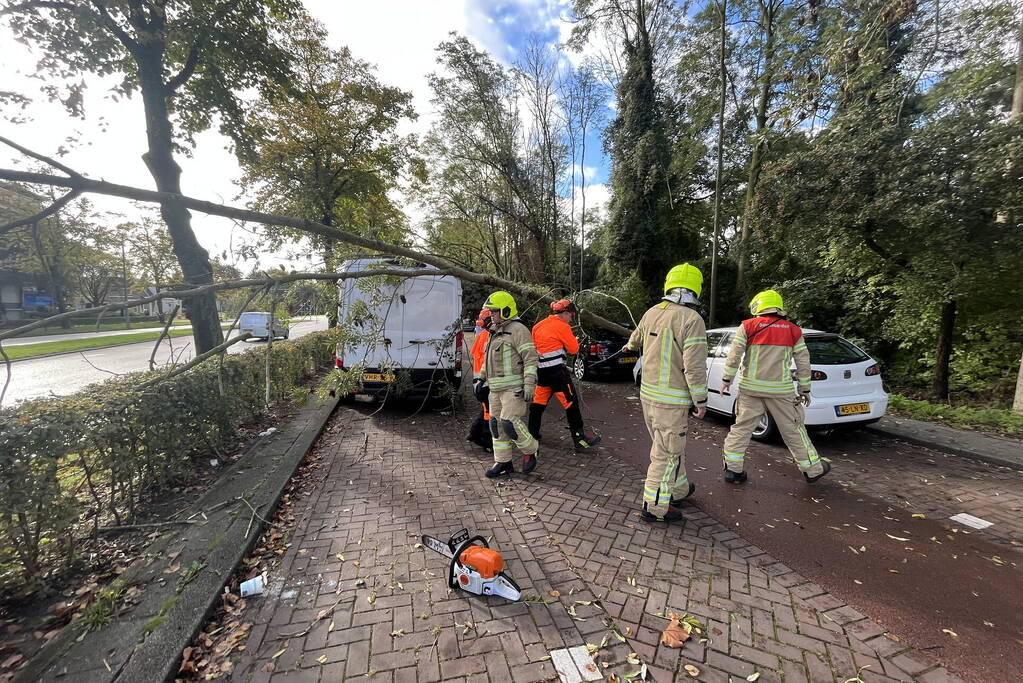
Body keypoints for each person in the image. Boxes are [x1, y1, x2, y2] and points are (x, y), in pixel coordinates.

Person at [624, 264, 708, 523]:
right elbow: (693, 367)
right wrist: (701, 400)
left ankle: (678, 489)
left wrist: (628, 346)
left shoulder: (651, 312)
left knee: (668, 447)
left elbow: (634, 341)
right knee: (667, 453)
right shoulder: (692, 320)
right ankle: (655, 507)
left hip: (648, 396)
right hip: (671, 401)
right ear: (696, 288)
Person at [719, 289, 830, 484]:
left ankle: (733, 470)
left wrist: (726, 380)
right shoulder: (793, 330)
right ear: (778, 307)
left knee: (741, 429)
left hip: (750, 390)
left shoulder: (747, 326)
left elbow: (734, 355)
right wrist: (804, 389)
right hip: (780, 391)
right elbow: (804, 363)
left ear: (758, 306)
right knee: (794, 430)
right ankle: (813, 469)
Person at [476, 291, 540, 477]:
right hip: (494, 389)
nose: (491, 315)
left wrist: (529, 385)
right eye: (490, 312)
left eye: (494, 311)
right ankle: (503, 462)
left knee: (509, 423)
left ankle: (531, 450)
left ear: (505, 310)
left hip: (514, 389)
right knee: (496, 425)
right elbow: (488, 359)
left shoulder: (519, 330)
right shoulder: (493, 331)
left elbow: (531, 359)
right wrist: (480, 380)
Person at [527, 299, 602, 452]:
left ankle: (532, 435)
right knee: (571, 403)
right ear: (566, 313)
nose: (571, 319)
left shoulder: (537, 326)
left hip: (541, 372)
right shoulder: (563, 326)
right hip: (557, 374)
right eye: (571, 316)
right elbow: (574, 350)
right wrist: (574, 341)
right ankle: (579, 439)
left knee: (537, 405)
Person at [465, 308, 494, 453]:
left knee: (485, 410)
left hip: (479, 382)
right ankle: (487, 442)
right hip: (485, 383)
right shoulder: (489, 336)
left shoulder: (482, 335)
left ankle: (474, 434)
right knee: (489, 412)